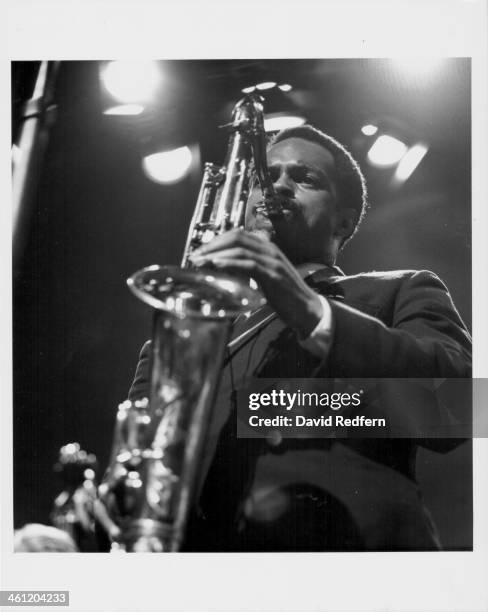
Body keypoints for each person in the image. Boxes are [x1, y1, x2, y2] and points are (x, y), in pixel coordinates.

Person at [129, 126, 472, 551]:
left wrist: (308, 308)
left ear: (344, 221)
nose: (278, 188)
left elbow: (458, 407)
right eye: (265, 176)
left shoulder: (398, 290)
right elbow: (143, 464)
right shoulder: (190, 331)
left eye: (304, 178)